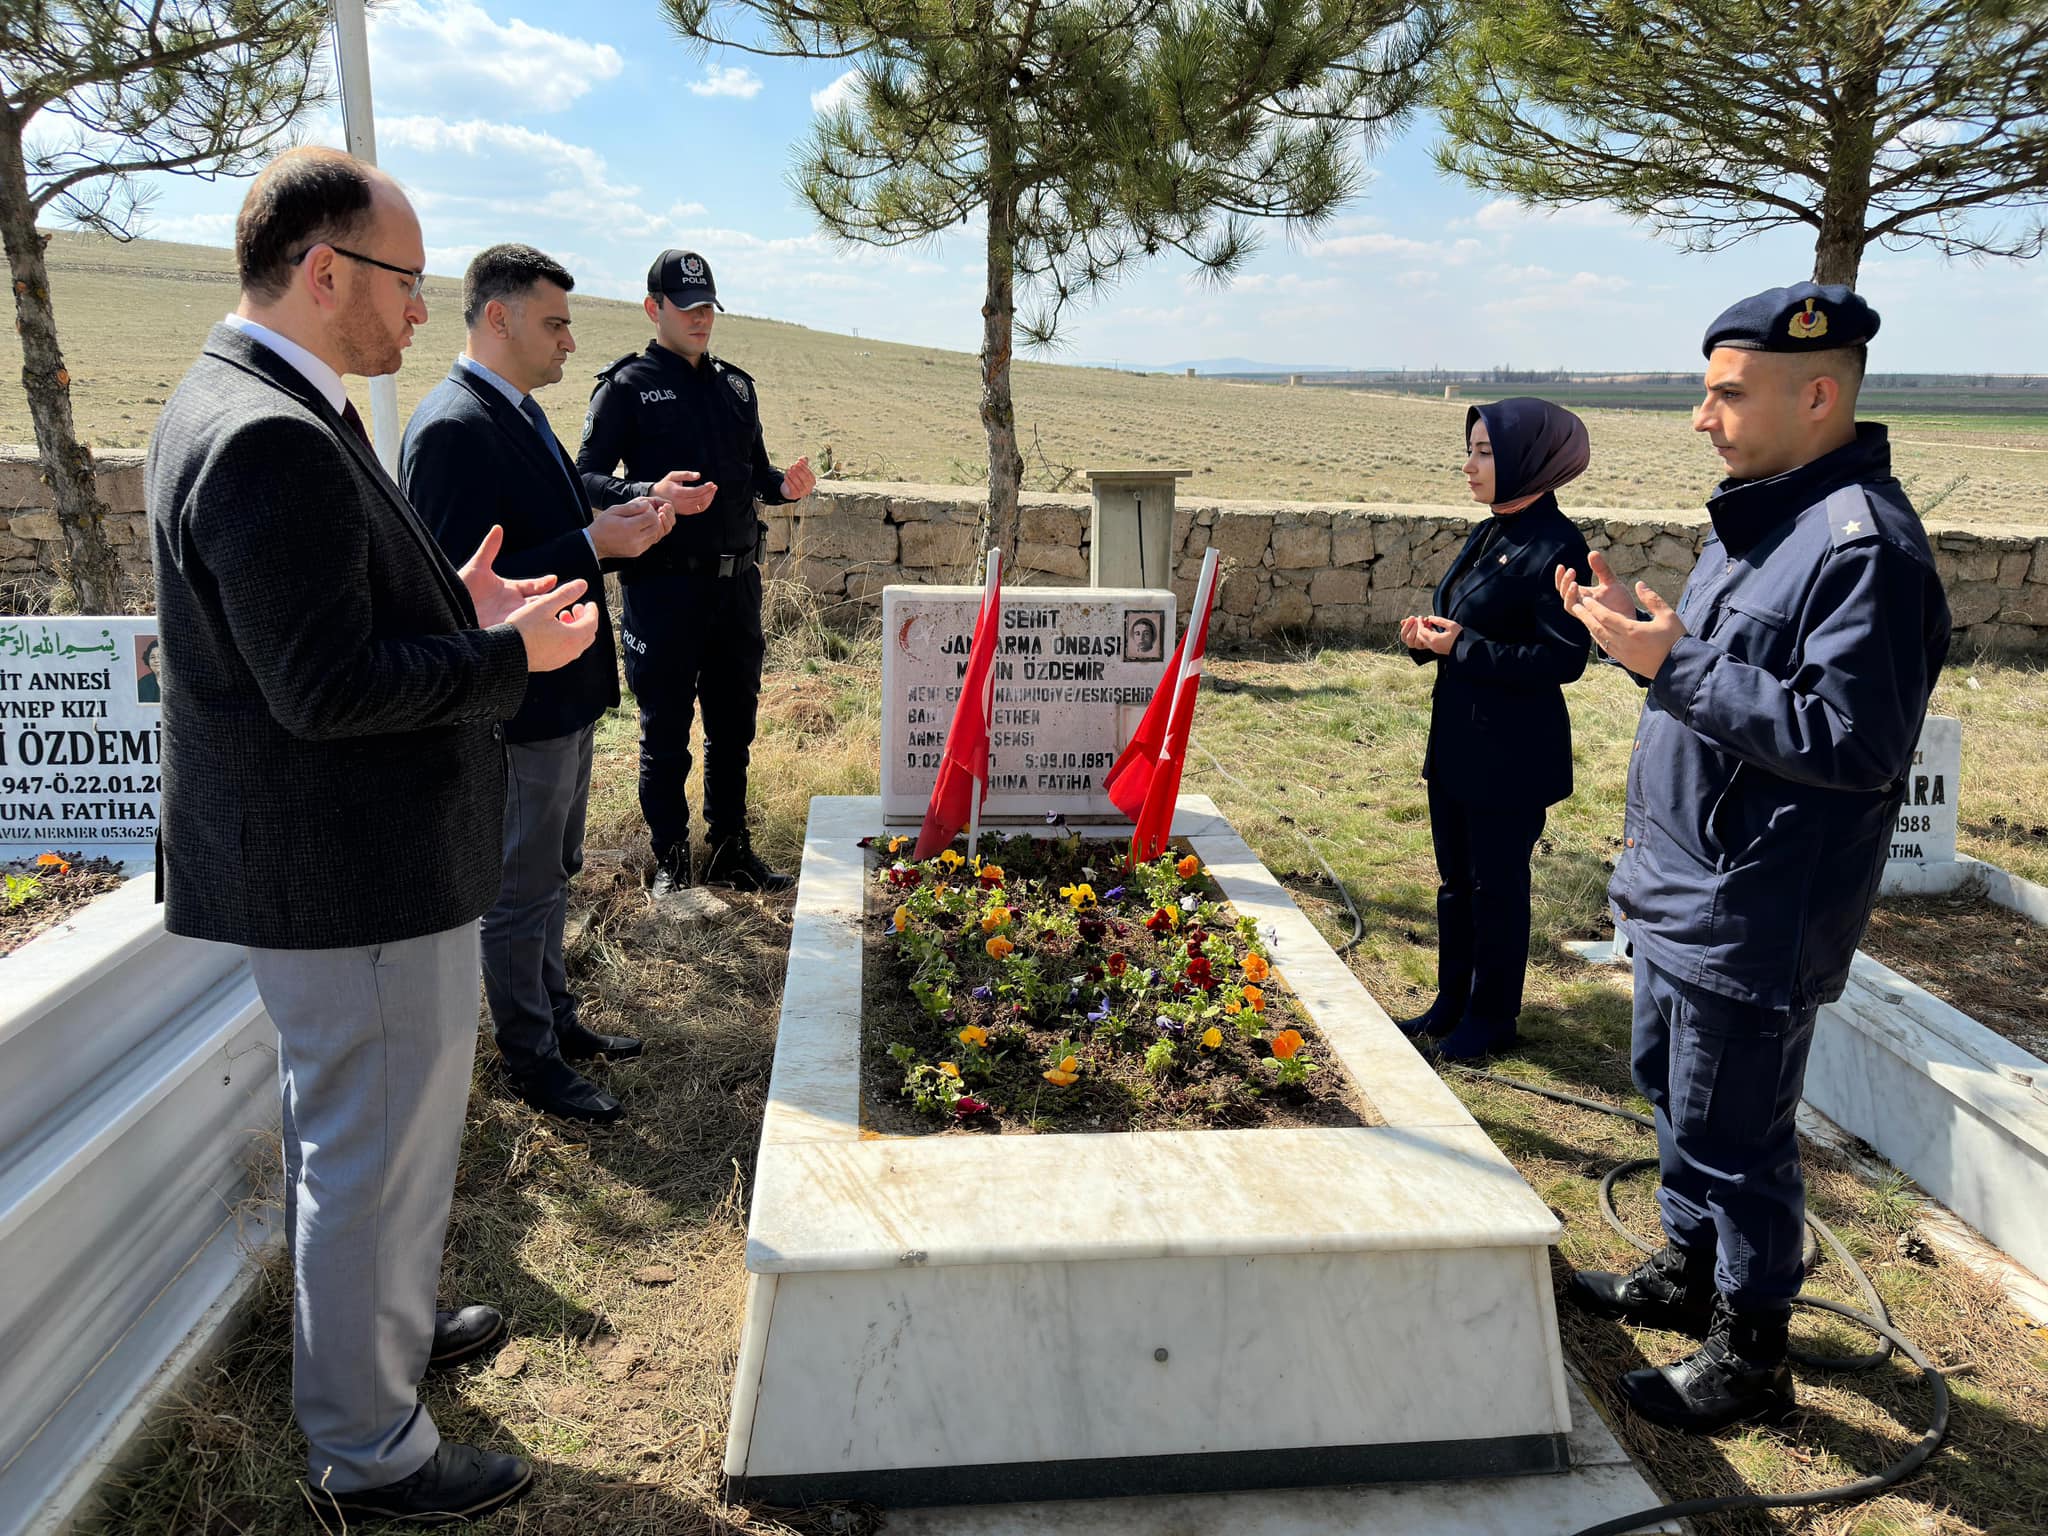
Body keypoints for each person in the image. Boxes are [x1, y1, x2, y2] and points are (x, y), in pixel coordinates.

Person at [149, 148, 600, 1525]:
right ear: (327, 268)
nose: (421, 311)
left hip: (341, 869)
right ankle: (370, 1445)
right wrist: (502, 656)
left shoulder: (261, 399)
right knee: (366, 1151)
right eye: (403, 280)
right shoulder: (273, 435)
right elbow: (327, 691)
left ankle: (386, 1341)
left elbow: (319, 625)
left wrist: (446, 600)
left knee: (370, 1143)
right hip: (354, 878)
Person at [1557, 283, 1950, 1434]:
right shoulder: (1761, 516)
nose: (1699, 416)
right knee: (1670, 1101)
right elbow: (1735, 680)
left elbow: (1854, 742)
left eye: (1725, 394)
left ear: (1816, 393)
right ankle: (1685, 1279)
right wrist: (1654, 637)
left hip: (1754, 904)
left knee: (1736, 1137)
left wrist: (1669, 668)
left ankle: (1750, 1353)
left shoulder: (1860, 548)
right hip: (1684, 885)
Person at [401, 244, 710, 1125]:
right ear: (498, 319)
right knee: (520, 887)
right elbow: (461, 588)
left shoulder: (514, 411)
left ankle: (557, 1022)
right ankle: (530, 1059)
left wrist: (636, 499)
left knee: (553, 872)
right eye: (556, 322)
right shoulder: (454, 427)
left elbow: (559, 490)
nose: (572, 341)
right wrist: (594, 545)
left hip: (561, 694)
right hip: (519, 703)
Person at [575, 249, 817, 898]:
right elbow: (584, 477)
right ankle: (673, 863)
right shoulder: (625, 387)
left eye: (709, 307)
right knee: (667, 734)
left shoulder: (736, 387)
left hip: (736, 588)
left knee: (734, 725)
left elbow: (753, 476)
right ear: (655, 309)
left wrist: (784, 487)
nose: (701, 319)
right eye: (688, 309)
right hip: (664, 587)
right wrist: (649, 491)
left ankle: (731, 849)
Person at [1395, 398, 1593, 1062]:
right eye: (1471, 450)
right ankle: (1452, 1002)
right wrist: (1429, 639)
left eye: (1486, 453)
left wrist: (1464, 648)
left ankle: (1491, 1017)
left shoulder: (1558, 545)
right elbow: (1467, 620)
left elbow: (1564, 660)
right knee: (1456, 881)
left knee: (1497, 888)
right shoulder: (1492, 530)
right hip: (1457, 743)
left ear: (1528, 461)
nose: (1470, 466)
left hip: (1510, 755)